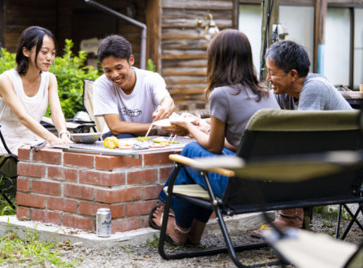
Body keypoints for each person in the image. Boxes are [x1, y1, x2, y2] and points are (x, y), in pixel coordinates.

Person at [150, 29, 280, 245]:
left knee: (191, 151)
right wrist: (204, 125)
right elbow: (240, 142)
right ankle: (193, 231)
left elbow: (213, 147)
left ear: (217, 60)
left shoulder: (222, 94)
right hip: (272, 186)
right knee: (198, 165)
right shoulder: (264, 92)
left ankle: (178, 225)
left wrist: (187, 126)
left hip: (238, 188)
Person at [251, 39, 352, 235]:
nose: (268, 78)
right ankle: (292, 217)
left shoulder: (314, 88)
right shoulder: (284, 93)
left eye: (271, 72)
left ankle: (291, 219)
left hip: (348, 170)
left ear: (293, 75)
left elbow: (301, 138)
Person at [0, 26, 72, 160]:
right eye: (44, 52)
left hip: (37, 144)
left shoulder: (50, 79)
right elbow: (23, 117)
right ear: (26, 52)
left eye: (52, 53)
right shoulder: (6, 80)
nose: (49, 58)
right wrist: (52, 139)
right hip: (8, 147)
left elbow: (56, 112)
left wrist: (63, 134)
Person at [93, 35, 175, 138]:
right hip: (118, 135)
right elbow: (115, 127)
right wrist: (156, 127)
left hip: (151, 133)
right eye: (108, 70)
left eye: (119, 68)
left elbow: (167, 101)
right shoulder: (101, 85)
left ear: (131, 60)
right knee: (125, 137)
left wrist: (165, 107)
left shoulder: (151, 78)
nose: (114, 75)